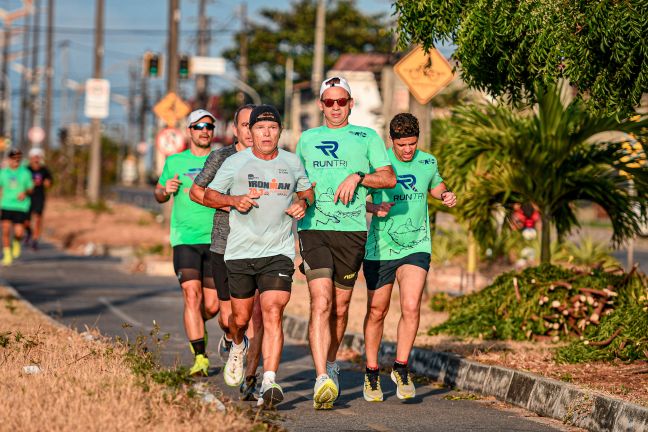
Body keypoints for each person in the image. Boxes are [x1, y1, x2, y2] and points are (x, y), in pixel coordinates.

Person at [295, 76, 396, 409]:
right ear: (321, 104)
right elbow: (298, 182)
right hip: (314, 229)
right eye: (328, 102)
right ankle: (321, 376)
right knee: (320, 302)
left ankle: (333, 362)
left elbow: (389, 177)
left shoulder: (367, 137)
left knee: (339, 310)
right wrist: (299, 200)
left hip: (352, 232)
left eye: (341, 101)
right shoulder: (307, 139)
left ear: (351, 104)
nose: (335, 107)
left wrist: (359, 177)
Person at [204, 105, 313, 408]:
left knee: (273, 310)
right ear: (249, 133)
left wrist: (303, 203)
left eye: (273, 128)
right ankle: (238, 345)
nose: (267, 133)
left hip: (277, 251)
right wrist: (232, 200)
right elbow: (208, 194)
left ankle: (269, 380)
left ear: (280, 131)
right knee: (237, 320)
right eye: (260, 128)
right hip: (239, 252)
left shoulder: (292, 162)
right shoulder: (235, 162)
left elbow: (307, 192)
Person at [362, 113, 456, 401]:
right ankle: (371, 372)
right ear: (392, 141)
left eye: (412, 144)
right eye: (402, 145)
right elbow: (357, 198)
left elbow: (435, 184)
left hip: (417, 244)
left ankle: (401, 367)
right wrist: (373, 208)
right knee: (377, 311)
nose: (407, 150)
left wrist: (445, 194)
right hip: (381, 246)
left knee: (412, 306)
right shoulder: (378, 164)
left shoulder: (428, 161)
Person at [189, 104, 265, 401]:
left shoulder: (275, 159)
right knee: (229, 318)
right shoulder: (221, 157)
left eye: (257, 125)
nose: (251, 131)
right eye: (246, 125)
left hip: (262, 247)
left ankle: (252, 376)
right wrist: (229, 202)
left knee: (259, 313)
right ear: (236, 129)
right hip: (225, 245)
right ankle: (235, 341)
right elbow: (197, 192)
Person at [154, 109, 218, 376]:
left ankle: (197, 328)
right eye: (199, 126)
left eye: (209, 127)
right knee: (191, 296)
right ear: (189, 131)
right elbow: (159, 194)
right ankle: (200, 357)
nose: (204, 131)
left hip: (216, 240)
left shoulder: (222, 160)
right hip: (185, 240)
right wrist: (164, 190)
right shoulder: (174, 161)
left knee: (212, 306)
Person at [0, 149, 34, 266]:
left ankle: (16, 242)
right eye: (13, 159)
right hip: (6, 204)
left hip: (20, 206)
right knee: (5, 230)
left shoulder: (25, 173)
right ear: (9, 159)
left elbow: (31, 188)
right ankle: (7, 254)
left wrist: (25, 193)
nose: (16, 161)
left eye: (18, 159)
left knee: (19, 232)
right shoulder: (3, 173)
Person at [24, 147, 53, 250]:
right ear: (30, 158)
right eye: (34, 157)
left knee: (38, 219)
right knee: (25, 221)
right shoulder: (26, 170)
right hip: (27, 198)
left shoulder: (44, 170)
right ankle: (28, 232)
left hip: (39, 197)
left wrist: (47, 183)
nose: (36, 159)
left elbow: (49, 182)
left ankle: (35, 240)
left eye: (38, 157)